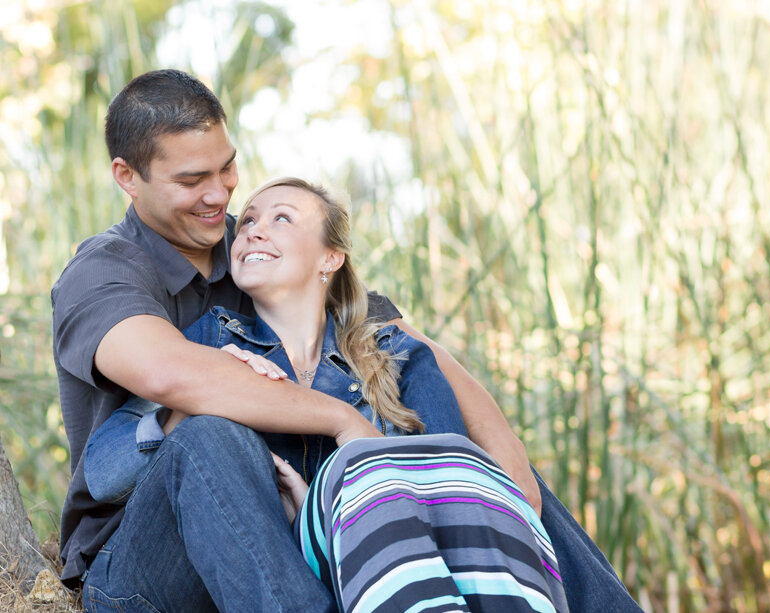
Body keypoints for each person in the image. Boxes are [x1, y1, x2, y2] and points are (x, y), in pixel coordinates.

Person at [51, 69, 641, 611]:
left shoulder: (259, 251)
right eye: (191, 180)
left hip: (294, 536)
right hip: (149, 558)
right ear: (127, 177)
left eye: (226, 168)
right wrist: (344, 423)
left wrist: (507, 478)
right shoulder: (107, 270)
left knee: (484, 470)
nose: (220, 196)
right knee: (209, 434)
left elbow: (408, 346)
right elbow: (170, 376)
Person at [85, 177, 568, 612]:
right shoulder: (211, 341)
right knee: (208, 435)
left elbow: (454, 503)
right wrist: (193, 401)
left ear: (330, 258)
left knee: (501, 488)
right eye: (248, 220)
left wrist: (318, 517)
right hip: (159, 584)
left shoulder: (398, 358)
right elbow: (103, 473)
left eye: (281, 218)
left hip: (342, 583)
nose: (252, 230)